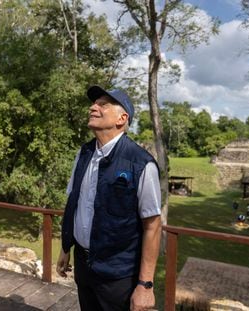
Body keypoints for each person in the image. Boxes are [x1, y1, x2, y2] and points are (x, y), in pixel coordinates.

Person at [56, 85, 162, 311]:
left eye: (103, 104)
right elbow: (72, 203)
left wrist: (145, 285)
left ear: (122, 118)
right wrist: (66, 248)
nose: (93, 107)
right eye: (94, 103)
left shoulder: (141, 164)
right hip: (84, 268)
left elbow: (153, 226)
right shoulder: (84, 153)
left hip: (118, 277)